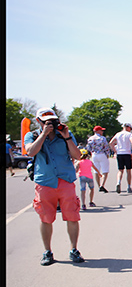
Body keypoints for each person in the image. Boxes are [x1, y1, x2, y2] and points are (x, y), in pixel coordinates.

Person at [25, 107, 84, 265]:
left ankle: (74, 249)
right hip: (45, 182)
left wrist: (66, 137)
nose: (51, 124)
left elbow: (77, 155)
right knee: (46, 218)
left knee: (72, 216)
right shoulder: (33, 135)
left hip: (65, 181)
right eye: (46, 122)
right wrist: (44, 134)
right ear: (39, 122)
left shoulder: (64, 134)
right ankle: (48, 251)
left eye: (53, 120)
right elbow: (30, 152)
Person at [109, 123, 132, 193]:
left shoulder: (118, 134)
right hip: (127, 153)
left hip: (120, 153)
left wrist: (115, 151)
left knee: (120, 170)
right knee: (128, 170)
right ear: (128, 127)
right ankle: (129, 186)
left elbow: (111, 143)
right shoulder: (129, 134)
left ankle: (118, 182)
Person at [86, 125, 111, 192]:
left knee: (96, 170)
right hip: (102, 154)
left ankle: (98, 185)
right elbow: (106, 147)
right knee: (105, 170)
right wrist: (107, 154)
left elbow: (88, 148)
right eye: (101, 130)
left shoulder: (90, 138)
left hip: (94, 154)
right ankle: (102, 185)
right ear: (98, 131)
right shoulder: (102, 138)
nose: (102, 131)